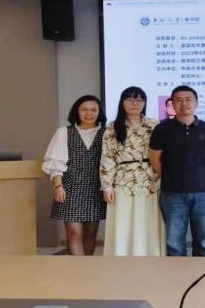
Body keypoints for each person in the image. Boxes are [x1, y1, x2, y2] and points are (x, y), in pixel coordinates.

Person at [149, 85, 205, 257]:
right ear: (172, 104)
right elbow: (155, 160)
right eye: (179, 100)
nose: (184, 103)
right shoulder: (162, 129)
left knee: (203, 243)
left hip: (204, 194)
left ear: (196, 103)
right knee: (174, 244)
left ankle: (202, 273)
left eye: (188, 100)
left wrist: (198, 175)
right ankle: (177, 275)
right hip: (172, 194)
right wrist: (172, 176)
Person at [100, 86, 165, 256]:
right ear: (122, 102)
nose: (135, 103)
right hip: (122, 181)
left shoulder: (155, 125)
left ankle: (151, 258)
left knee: (148, 219)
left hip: (150, 180)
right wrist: (106, 186)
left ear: (144, 103)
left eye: (139, 100)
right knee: (123, 220)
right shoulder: (113, 127)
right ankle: (121, 258)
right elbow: (108, 157)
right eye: (130, 99)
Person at [42, 95, 108, 255]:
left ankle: (87, 266)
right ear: (76, 112)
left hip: (96, 189)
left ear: (99, 112)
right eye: (84, 109)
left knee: (91, 233)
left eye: (93, 110)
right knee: (74, 232)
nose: (89, 113)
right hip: (70, 188)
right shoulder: (64, 132)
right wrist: (58, 185)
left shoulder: (107, 134)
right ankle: (78, 267)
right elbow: (55, 161)